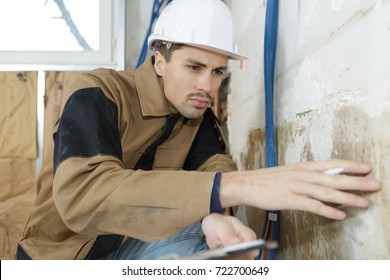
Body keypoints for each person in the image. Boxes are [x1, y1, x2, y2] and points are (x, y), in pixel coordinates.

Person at [17, 0, 381, 260]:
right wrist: (241, 186)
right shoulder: (98, 93)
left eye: (218, 71)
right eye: (194, 67)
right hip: (61, 258)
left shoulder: (198, 115)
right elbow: (84, 193)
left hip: (130, 247)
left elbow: (214, 167)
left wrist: (216, 217)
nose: (208, 86)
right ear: (159, 60)